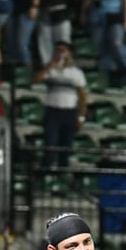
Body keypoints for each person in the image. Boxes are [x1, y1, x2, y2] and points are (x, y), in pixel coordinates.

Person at [34, 39, 86, 169]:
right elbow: (35, 80)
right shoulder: (50, 69)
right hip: (53, 112)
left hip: (69, 113)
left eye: (63, 50)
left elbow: (83, 96)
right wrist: (48, 67)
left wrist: (81, 117)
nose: (60, 53)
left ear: (70, 53)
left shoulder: (77, 73)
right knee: (50, 145)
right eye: (58, 50)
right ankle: (46, 174)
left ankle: (62, 176)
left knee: (66, 148)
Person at [80, 0, 126, 84]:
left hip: (114, 15)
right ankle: (108, 72)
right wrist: (83, 13)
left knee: (116, 43)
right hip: (97, 15)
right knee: (99, 46)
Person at [2, 0, 40, 68]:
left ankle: (26, 73)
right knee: (11, 45)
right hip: (10, 11)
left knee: (21, 43)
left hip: (27, 9)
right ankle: (15, 74)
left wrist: (34, 5)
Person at [35, 0, 73, 67]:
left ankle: (65, 68)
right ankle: (48, 70)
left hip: (60, 8)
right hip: (43, 9)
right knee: (44, 44)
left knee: (62, 43)